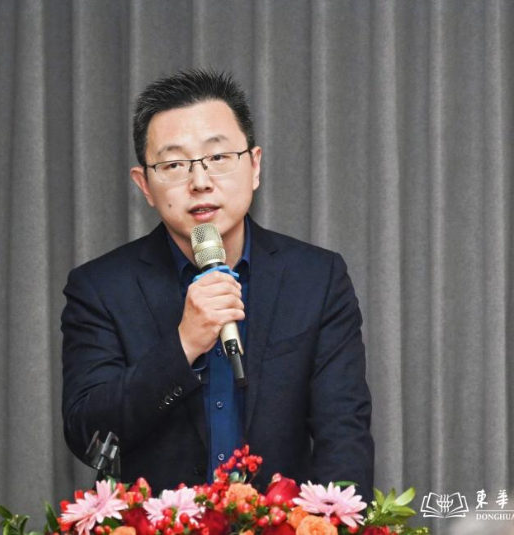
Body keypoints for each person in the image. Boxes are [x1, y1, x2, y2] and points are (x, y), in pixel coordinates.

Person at [61, 69, 374, 498]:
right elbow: (89, 434)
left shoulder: (316, 278)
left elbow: (345, 436)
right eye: (174, 164)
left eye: (219, 157)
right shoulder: (100, 288)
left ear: (255, 166)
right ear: (145, 185)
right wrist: (185, 344)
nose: (200, 182)